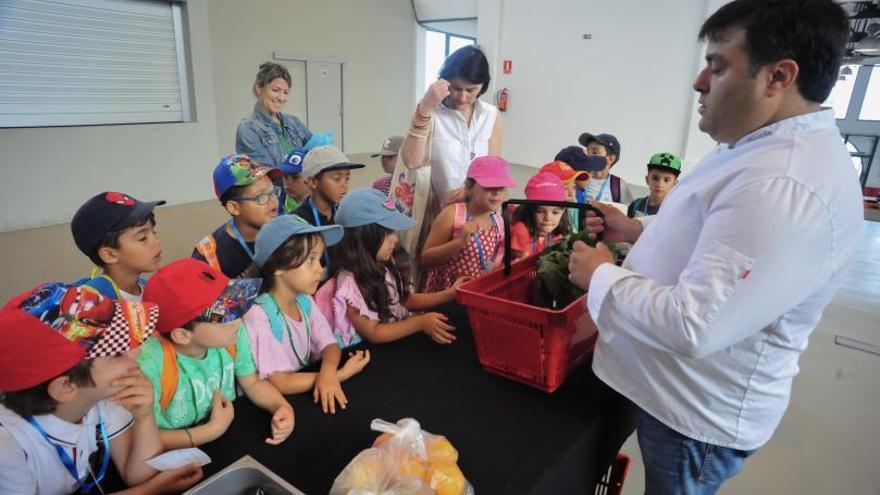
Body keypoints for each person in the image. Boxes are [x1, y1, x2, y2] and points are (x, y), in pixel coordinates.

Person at [567, 1, 861, 492]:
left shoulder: (783, 183)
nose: (699, 81)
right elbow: (718, 241)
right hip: (670, 393)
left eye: (718, 65)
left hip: (693, 416)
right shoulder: (757, 147)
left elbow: (694, 323)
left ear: (778, 77)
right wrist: (638, 232)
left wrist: (600, 273)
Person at [0, 282, 204, 494]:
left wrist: (145, 415)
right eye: (116, 354)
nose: (136, 353)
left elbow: (137, 474)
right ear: (66, 387)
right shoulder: (8, 449)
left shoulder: (98, 397)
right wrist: (149, 490)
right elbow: (144, 484)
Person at [138, 259, 295, 449]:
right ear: (182, 335)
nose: (237, 320)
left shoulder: (232, 337)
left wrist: (281, 407)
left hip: (225, 437)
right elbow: (141, 439)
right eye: (223, 317)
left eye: (234, 307)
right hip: (176, 451)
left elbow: (252, 382)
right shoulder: (149, 364)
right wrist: (212, 430)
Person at [395, 45, 503, 286]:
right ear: (444, 82)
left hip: (476, 210)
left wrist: (470, 190)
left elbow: (493, 168)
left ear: (482, 87)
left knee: (472, 275)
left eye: (471, 90)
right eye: (455, 88)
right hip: (436, 212)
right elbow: (411, 160)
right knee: (430, 277)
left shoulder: (491, 115)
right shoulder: (431, 111)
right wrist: (425, 108)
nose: (462, 97)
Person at [245, 215, 369, 412]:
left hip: (305, 392)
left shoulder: (305, 301)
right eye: (310, 260)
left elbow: (330, 345)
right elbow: (281, 382)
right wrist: (339, 375)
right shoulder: (259, 316)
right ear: (278, 266)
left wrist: (328, 372)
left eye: (319, 259)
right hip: (278, 407)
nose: (320, 269)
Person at [321, 188, 464, 347]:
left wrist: (450, 294)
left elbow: (403, 300)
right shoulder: (349, 283)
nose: (395, 239)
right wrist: (419, 323)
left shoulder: (383, 264)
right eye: (388, 233)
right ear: (362, 237)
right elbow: (374, 332)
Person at [421, 156, 516, 292]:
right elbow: (426, 258)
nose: (496, 193)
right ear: (469, 187)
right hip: (443, 296)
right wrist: (459, 243)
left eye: (501, 188)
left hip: (474, 294)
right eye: (489, 187)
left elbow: (491, 263)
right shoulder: (453, 215)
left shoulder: (499, 222)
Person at [193, 154, 281, 278]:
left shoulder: (285, 232)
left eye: (273, 191)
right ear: (234, 207)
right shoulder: (209, 256)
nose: (273, 200)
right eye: (261, 196)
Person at [71, 192, 165, 301]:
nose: (157, 242)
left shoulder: (149, 289)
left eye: (154, 232)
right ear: (109, 254)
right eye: (142, 238)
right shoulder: (92, 304)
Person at [235, 62, 312, 168]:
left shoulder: (293, 122)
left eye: (286, 92)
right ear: (259, 88)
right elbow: (268, 174)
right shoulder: (249, 129)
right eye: (275, 90)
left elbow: (316, 155)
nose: (281, 98)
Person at [293, 145, 365, 228]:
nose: (345, 185)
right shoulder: (296, 223)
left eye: (347, 178)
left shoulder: (348, 218)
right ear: (312, 182)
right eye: (337, 178)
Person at [510, 172, 571, 262]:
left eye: (555, 212)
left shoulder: (557, 236)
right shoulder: (521, 232)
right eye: (540, 211)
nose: (548, 218)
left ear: (563, 212)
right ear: (529, 210)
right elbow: (523, 266)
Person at [577, 132, 634, 205]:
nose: (588, 155)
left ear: (610, 159)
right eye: (587, 151)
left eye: (594, 152)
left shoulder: (619, 185)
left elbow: (628, 213)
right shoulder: (578, 178)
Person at [627, 152, 682, 218]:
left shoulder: (676, 211)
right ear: (647, 180)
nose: (660, 184)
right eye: (655, 178)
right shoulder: (636, 205)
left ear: (674, 184)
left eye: (666, 180)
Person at [280, 148, 311, 214]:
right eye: (284, 176)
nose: (288, 182)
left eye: (295, 177)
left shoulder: (324, 207)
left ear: (311, 178)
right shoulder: (278, 207)